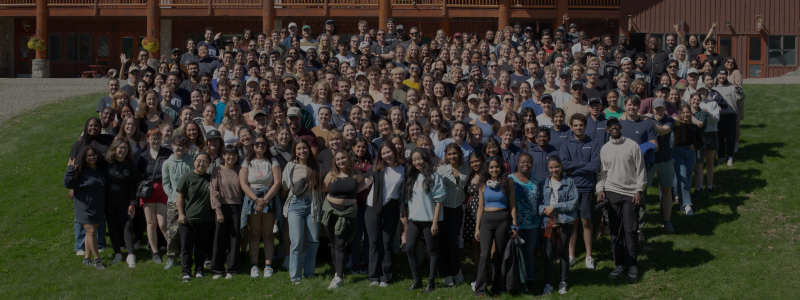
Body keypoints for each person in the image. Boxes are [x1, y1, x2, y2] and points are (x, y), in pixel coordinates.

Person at [596, 117, 647, 281]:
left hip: (631, 193)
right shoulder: (604, 148)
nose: (613, 127)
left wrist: (639, 190)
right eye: (610, 126)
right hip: (611, 192)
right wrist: (600, 190)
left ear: (620, 126)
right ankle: (619, 264)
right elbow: (602, 173)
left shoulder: (632, 145)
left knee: (630, 229)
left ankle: (632, 265)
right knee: (615, 231)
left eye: (615, 124)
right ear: (607, 130)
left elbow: (641, 170)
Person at [558, 113, 601, 270]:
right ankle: (571, 255)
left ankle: (589, 256)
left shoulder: (594, 144)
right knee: (572, 223)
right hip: (570, 190)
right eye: (575, 125)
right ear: (571, 127)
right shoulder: (566, 145)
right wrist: (584, 166)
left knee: (586, 222)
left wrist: (575, 167)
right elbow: (564, 165)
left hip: (587, 188)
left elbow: (595, 166)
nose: (578, 127)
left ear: (585, 126)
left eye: (581, 125)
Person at [323, 149, 368, 289]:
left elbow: (367, 181)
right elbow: (323, 189)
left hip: (348, 212)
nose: (341, 161)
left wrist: (353, 195)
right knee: (334, 243)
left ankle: (339, 276)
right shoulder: (331, 174)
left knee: (341, 243)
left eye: (343, 158)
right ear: (334, 162)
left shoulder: (356, 174)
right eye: (338, 159)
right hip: (330, 211)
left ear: (348, 159)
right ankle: (338, 273)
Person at [281, 139, 325, 284]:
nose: (302, 151)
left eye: (304, 148)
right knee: (297, 241)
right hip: (295, 205)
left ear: (309, 149)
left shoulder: (318, 166)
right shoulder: (290, 166)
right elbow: (285, 185)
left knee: (313, 241)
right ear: (295, 151)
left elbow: (323, 186)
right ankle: (295, 276)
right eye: (299, 149)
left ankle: (309, 273)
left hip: (313, 205)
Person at [403, 148, 446, 294]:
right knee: (409, 249)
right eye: (414, 159)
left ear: (425, 159)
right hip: (414, 220)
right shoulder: (411, 176)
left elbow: (439, 201)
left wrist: (435, 223)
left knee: (432, 251)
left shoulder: (434, 176)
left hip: (429, 220)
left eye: (419, 158)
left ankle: (431, 282)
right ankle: (417, 280)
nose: (417, 162)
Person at [473, 156, 517, 297]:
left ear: (501, 168)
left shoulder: (508, 183)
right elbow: (480, 207)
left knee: (499, 255)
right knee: (484, 255)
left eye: (497, 167)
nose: (494, 169)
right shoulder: (482, 184)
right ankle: (480, 289)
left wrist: (514, 225)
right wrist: (477, 228)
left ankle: (497, 288)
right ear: (487, 168)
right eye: (491, 167)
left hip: (502, 219)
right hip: (486, 220)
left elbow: (512, 206)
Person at [240, 134, 282, 278]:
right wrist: (256, 200)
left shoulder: (273, 160)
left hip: (268, 198)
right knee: (255, 233)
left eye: (263, 144)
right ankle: (254, 265)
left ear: (267, 145)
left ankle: (268, 265)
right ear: (252, 145)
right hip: (252, 199)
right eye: (257, 143)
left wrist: (264, 200)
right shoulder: (247, 161)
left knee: (268, 233)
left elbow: (277, 182)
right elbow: (244, 183)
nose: (260, 146)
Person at [364, 141, 405, 287]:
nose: (386, 155)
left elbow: (404, 192)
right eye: (383, 153)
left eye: (389, 152)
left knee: (387, 243)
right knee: (374, 243)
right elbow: (365, 183)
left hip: (391, 208)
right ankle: (374, 277)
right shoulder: (377, 167)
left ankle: (386, 277)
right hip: (372, 207)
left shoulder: (402, 170)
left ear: (394, 151)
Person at [538, 155, 578, 295]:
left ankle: (563, 282)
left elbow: (573, 203)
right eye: (551, 167)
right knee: (548, 253)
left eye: (556, 166)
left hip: (565, 222)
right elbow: (537, 204)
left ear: (561, 166)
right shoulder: (543, 183)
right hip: (548, 223)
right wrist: (545, 209)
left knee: (563, 252)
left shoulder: (569, 182)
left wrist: (554, 207)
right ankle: (548, 284)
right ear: (548, 168)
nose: (554, 169)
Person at [65, 146, 107, 270]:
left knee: (91, 233)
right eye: (88, 155)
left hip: (97, 206)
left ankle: (87, 258)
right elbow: (67, 183)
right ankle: (97, 260)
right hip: (83, 207)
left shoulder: (100, 170)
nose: (91, 157)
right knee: (91, 232)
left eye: (93, 154)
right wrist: (70, 169)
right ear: (84, 157)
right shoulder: (80, 171)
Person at [435, 143, 471, 286]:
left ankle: (456, 270)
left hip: (457, 209)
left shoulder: (466, 169)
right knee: (442, 243)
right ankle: (447, 274)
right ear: (446, 155)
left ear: (459, 154)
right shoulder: (441, 170)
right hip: (443, 209)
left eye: (454, 153)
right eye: (449, 154)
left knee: (452, 242)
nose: (452, 156)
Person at [136, 128, 173, 264]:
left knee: (163, 224)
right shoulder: (143, 156)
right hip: (148, 191)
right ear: (148, 140)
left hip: (163, 189)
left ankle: (172, 250)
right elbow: (139, 174)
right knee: (151, 223)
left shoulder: (168, 154)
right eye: (153, 138)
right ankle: (155, 251)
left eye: (158, 138)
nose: (156, 140)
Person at [176, 151, 214, 282]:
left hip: (205, 219)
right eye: (199, 160)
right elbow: (180, 196)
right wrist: (181, 214)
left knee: (201, 246)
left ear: (209, 164)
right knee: (186, 247)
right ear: (194, 161)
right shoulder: (187, 177)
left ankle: (199, 270)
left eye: (205, 161)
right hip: (188, 219)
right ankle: (186, 271)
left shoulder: (211, 178)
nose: (201, 164)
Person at [103, 137, 140, 267]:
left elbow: (133, 185)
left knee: (127, 226)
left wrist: (132, 202)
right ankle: (117, 253)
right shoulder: (106, 162)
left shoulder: (130, 165)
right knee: (112, 227)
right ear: (114, 148)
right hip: (109, 202)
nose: (123, 150)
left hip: (124, 201)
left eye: (125, 148)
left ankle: (131, 255)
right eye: (121, 147)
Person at [209, 144, 244, 279]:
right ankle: (217, 268)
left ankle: (231, 269)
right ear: (223, 156)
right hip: (222, 207)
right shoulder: (217, 170)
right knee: (219, 238)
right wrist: (218, 210)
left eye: (234, 154)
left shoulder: (240, 170)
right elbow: (213, 191)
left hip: (237, 206)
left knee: (234, 239)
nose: (231, 157)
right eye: (228, 154)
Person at [161, 134, 194, 269]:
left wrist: (187, 199)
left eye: (183, 146)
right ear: (172, 145)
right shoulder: (167, 163)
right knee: (173, 230)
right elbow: (166, 184)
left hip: (189, 202)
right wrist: (175, 199)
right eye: (177, 145)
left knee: (189, 230)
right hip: (173, 203)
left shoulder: (190, 161)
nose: (180, 148)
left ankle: (189, 255)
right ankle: (172, 257)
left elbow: (193, 181)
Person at [673, 105, 704, 216]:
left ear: (691, 113)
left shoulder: (694, 127)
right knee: (682, 177)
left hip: (690, 154)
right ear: (680, 114)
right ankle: (687, 204)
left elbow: (701, 141)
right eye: (683, 113)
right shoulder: (676, 125)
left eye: (687, 112)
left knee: (688, 178)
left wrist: (694, 146)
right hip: (678, 153)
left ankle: (681, 202)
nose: (685, 115)